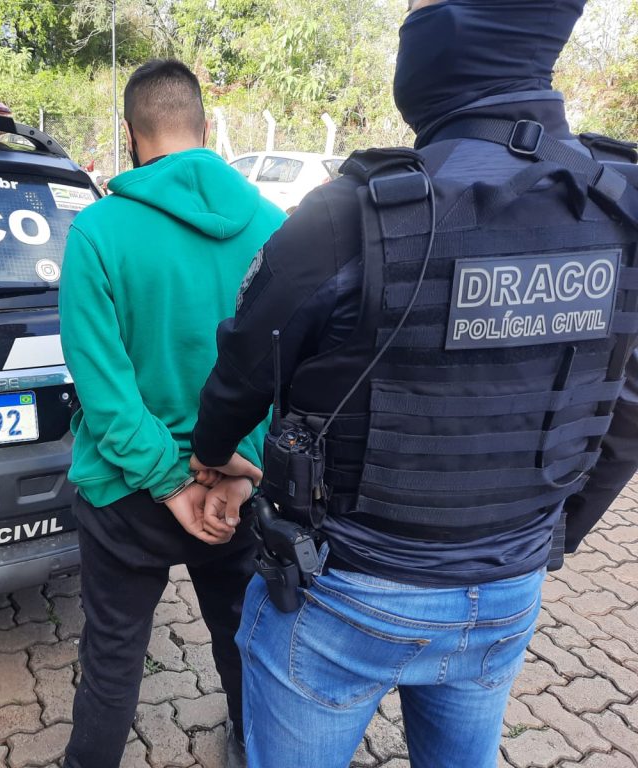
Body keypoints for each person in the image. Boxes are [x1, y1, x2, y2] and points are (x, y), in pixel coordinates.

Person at [189, 1, 638, 766]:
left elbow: (242, 370)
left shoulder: (349, 216)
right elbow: (627, 414)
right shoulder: (620, 206)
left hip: (344, 595)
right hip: (506, 593)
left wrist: (210, 453)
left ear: (458, 27)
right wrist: (547, 539)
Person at [59, 59, 285, 768]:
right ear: (205, 128)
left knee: (114, 654)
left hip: (126, 492)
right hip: (237, 490)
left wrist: (170, 480)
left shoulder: (97, 232)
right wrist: (238, 474)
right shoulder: (278, 228)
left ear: (131, 135)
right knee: (242, 640)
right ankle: (252, 750)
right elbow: (289, 375)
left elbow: (105, 393)